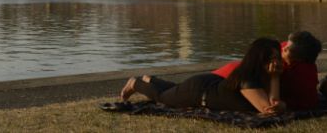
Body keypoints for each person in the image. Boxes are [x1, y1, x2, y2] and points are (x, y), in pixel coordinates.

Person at [120, 37, 286, 114]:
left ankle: (152, 79)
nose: (276, 62)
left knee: (175, 89)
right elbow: (269, 110)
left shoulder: (265, 76)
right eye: (271, 58)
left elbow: (273, 104)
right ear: (259, 59)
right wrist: (281, 102)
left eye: (278, 57)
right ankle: (136, 83)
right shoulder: (248, 79)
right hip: (198, 91)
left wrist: (275, 77)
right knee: (163, 97)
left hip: (210, 84)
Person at [212, 31, 322, 110]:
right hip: (230, 75)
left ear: (298, 59)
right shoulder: (282, 50)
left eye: (287, 50)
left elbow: (308, 101)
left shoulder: (303, 74)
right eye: (285, 45)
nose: (283, 48)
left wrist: (285, 105)